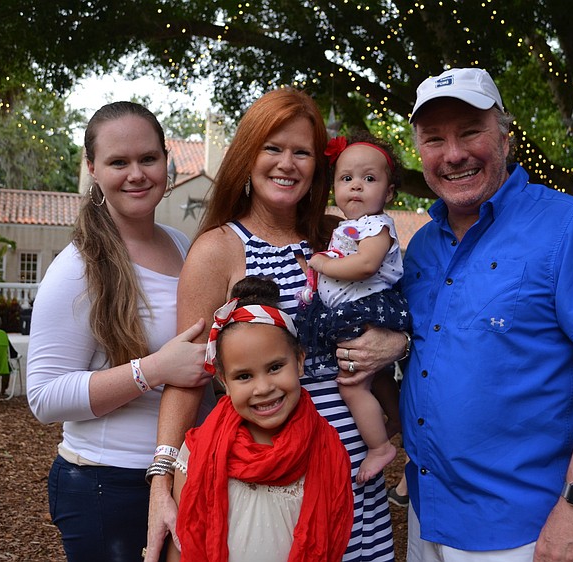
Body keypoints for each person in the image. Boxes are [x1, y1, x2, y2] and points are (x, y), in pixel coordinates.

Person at [400, 68, 573, 561]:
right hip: (426, 514)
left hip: (522, 529)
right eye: (434, 139)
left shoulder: (572, 225)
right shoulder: (422, 246)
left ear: (505, 137)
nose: (453, 154)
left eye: (470, 131)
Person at [147, 88, 404, 562]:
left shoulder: (339, 237)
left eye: (301, 152)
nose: (287, 163)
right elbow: (188, 376)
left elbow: (392, 311)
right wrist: (162, 484)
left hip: (358, 469)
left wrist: (397, 341)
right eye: (273, 148)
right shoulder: (219, 250)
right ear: (247, 156)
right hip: (275, 482)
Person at [26, 101, 208, 562]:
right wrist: (153, 369)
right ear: (92, 168)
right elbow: (44, 397)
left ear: (167, 160)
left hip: (182, 476)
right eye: (118, 162)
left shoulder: (182, 245)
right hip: (107, 485)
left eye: (148, 158)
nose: (137, 174)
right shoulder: (78, 267)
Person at [170, 276, 353, 562]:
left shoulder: (326, 450)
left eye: (275, 367)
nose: (263, 388)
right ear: (223, 381)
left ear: (300, 361)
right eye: (244, 376)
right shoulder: (199, 451)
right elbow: (182, 543)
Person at [296, 131, 408, 483]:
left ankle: (379, 448)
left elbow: (364, 266)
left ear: (388, 192)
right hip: (354, 309)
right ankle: (394, 417)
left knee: (352, 385)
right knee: (377, 376)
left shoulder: (377, 226)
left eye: (369, 179)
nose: (356, 186)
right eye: (347, 179)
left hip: (365, 310)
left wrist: (321, 264)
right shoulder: (350, 226)